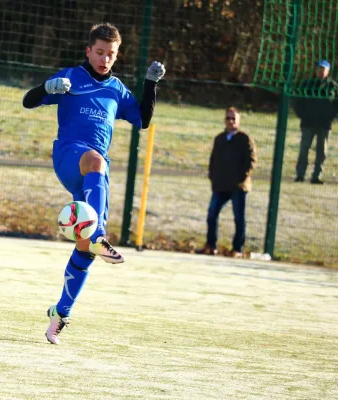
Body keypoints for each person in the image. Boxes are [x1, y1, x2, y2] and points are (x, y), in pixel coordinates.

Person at [22, 23, 165, 345]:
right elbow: (28, 102)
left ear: (117, 55)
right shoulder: (71, 78)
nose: (104, 59)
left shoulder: (117, 89)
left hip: (94, 177)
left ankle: (60, 314)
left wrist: (150, 83)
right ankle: (99, 233)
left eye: (110, 54)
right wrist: (47, 87)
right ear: (88, 50)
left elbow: (143, 119)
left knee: (84, 249)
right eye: (99, 52)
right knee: (96, 175)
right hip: (70, 156)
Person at [198, 107, 256, 258]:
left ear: (238, 121)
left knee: (239, 218)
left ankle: (237, 249)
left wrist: (241, 178)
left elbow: (251, 161)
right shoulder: (220, 138)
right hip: (221, 185)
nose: (230, 121)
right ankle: (211, 246)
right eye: (227, 118)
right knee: (212, 214)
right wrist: (213, 177)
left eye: (233, 118)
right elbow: (213, 160)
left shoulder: (244, 139)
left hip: (238, 186)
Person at [293, 59, 338, 184]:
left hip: (324, 124)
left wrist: (331, 117)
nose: (321, 71)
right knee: (304, 149)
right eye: (319, 68)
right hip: (308, 123)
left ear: (328, 71)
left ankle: (317, 176)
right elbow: (298, 101)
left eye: (323, 69)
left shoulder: (333, 86)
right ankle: (300, 175)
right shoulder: (306, 84)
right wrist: (302, 115)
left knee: (321, 152)